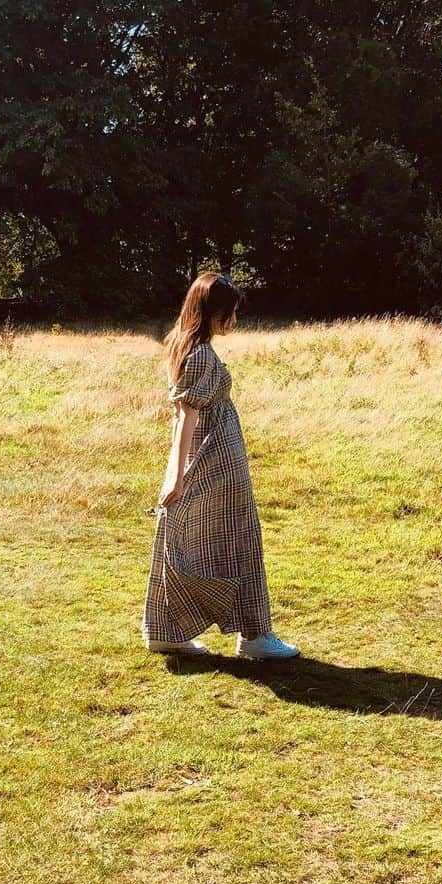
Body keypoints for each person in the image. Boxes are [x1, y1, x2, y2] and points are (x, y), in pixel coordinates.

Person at [142, 271, 300, 660]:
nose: (234, 320)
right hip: (218, 459)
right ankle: (254, 634)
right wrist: (174, 476)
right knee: (238, 540)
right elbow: (185, 418)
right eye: (229, 312)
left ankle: (165, 628)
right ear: (212, 312)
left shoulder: (184, 347)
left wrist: (174, 474)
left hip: (208, 454)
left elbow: (182, 417)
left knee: (179, 533)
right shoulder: (199, 356)